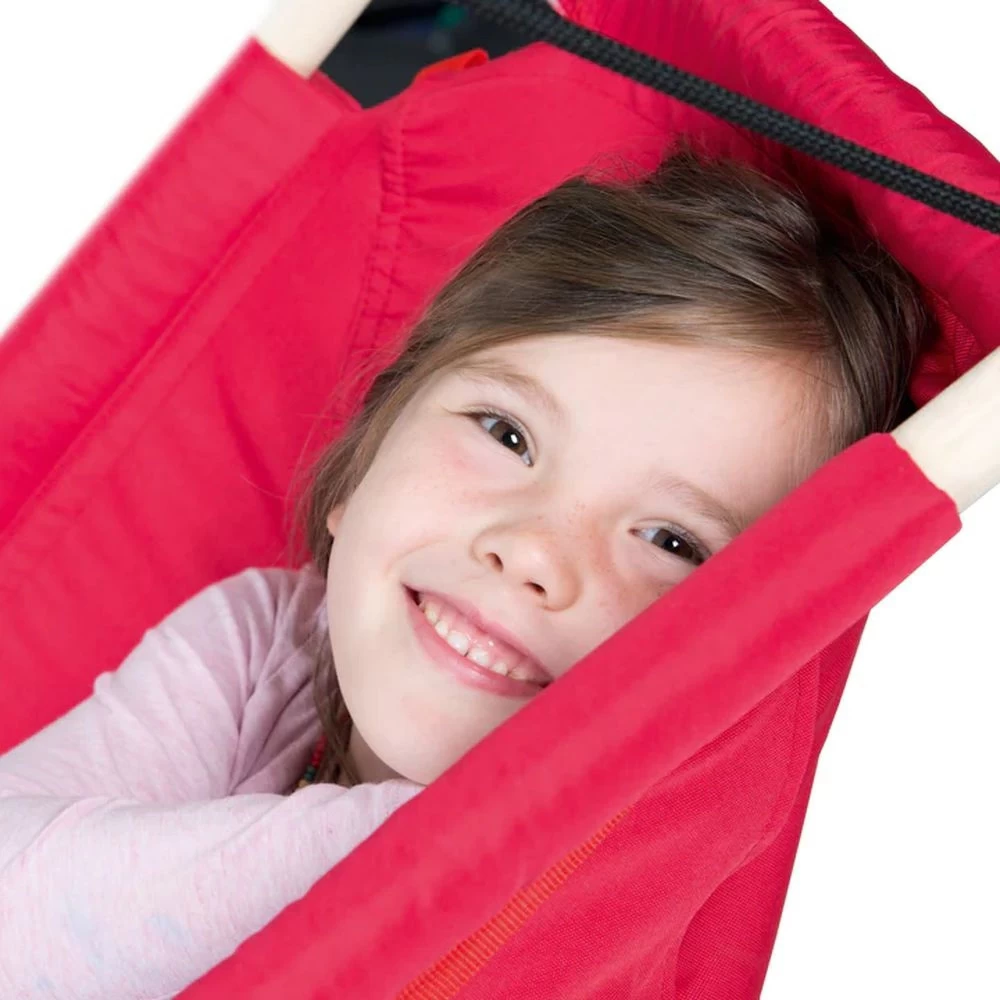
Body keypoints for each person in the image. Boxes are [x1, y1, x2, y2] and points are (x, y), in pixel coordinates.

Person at [0, 146, 932, 998]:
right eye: (505, 433)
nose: (532, 550)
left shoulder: (607, 903)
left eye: (671, 541)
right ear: (364, 457)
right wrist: (422, 838)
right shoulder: (267, 640)